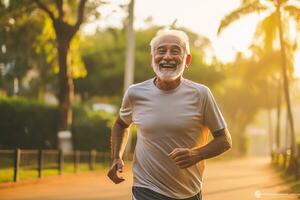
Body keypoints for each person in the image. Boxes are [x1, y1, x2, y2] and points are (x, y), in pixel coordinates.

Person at [107, 29, 232, 200]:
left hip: (189, 192)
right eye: (161, 51)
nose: (167, 56)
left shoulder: (201, 94)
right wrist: (116, 157)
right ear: (152, 59)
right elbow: (121, 124)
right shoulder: (135, 93)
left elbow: (224, 140)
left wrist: (196, 154)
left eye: (175, 51)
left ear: (187, 60)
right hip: (146, 189)